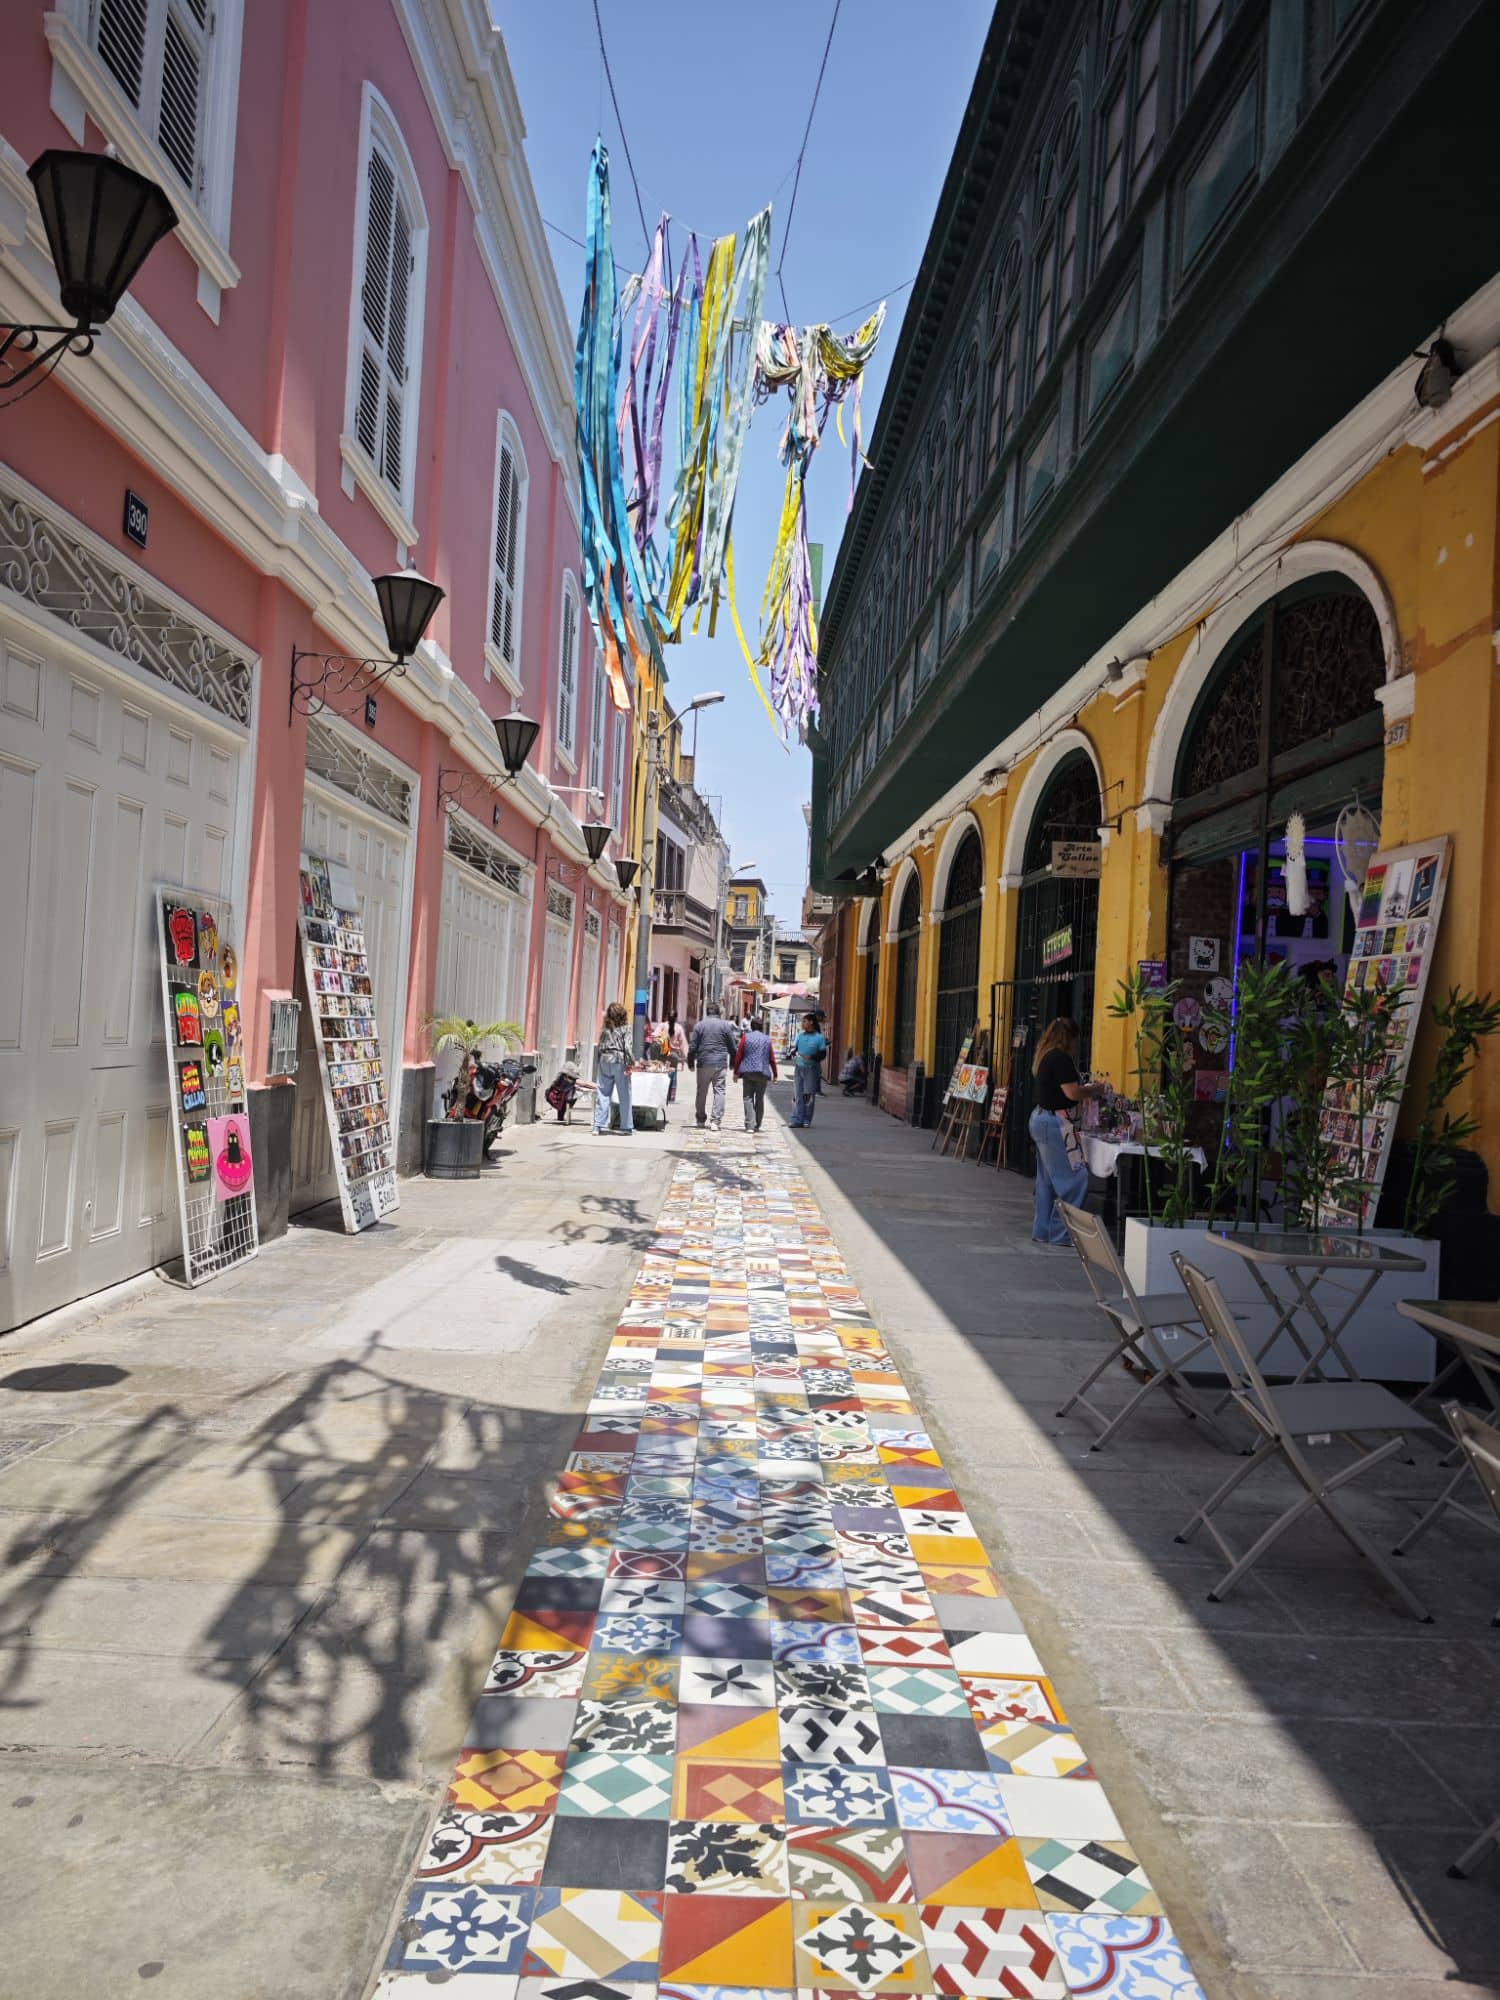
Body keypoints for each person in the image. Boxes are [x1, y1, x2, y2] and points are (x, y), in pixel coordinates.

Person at [1027, 1016, 1104, 1245]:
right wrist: (1095, 1089)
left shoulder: (1044, 1055)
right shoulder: (1061, 1058)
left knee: (1047, 1181)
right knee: (1075, 1177)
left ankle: (1042, 1231)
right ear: (1069, 1038)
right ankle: (1061, 1234)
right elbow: (1072, 1093)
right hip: (1054, 1123)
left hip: (1041, 1118)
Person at [687, 1002, 740, 1129]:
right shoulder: (725, 1026)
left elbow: (693, 1046)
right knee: (719, 1091)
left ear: (707, 1011)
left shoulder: (699, 1026)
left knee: (701, 1092)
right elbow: (733, 1047)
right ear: (718, 1013)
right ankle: (715, 1121)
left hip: (703, 1063)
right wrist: (733, 1063)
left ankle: (700, 1120)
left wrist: (690, 1063)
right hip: (720, 1064)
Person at [593, 1000, 635, 1136]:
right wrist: (631, 1063)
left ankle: (598, 1125)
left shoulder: (605, 1029)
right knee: (624, 1094)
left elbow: (599, 1046)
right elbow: (628, 1047)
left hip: (605, 1061)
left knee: (603, 1093)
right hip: (620, 1061)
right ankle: (626, 1126)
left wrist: (597, 1062)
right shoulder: (626, 1028)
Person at [734, 1015, 778, 1131]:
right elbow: (772, 1058)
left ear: (752, 1026)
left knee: (747, 1097)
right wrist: (775, 1074)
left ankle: (749, 1124)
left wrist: (736, 1072)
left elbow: (739, 1055)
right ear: (762, 1026)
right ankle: (757, 1124)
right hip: (763, 1072)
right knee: (760, 1098)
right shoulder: (767, 1039)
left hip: (748, 1072)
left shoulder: (746, 1037)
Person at [789, 1012, 828, 1129]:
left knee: (808, 1095)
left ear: (811, 1022)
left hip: (811, 1068)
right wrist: (794, 1053)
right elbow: (794, 1049)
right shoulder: (800, 1036)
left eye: (805, 1021)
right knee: (797, 1094)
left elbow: (823, 1054)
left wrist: (811, 1057)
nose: (803, 1023)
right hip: (799, 1068)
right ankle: (796, 1119)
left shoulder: (819, 1037)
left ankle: (806, 1119)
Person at [665, 1011, 688, 1103]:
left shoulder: (662, 1026)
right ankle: (672, 1097)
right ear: (676, 1017)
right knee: (673, 1075)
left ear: (667, 1017)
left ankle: (664, 1093)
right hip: (674, 1054)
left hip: (663, 1053)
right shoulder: (679, 1028)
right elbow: (683, 1043)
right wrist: (686, 1056)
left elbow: (655, 1036)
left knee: (664, 1073)